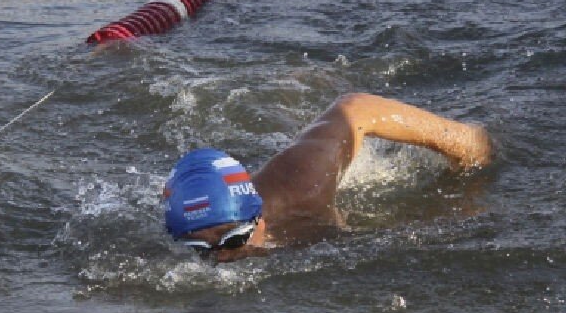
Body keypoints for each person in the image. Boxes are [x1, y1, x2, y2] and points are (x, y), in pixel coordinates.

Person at [163, 93, 493, 262]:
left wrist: (462, 143)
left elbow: (354, 108)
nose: (222, 257)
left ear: (258, 216)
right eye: (199, 249)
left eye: (233, 239)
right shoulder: (184, 229)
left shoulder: (302, 184)